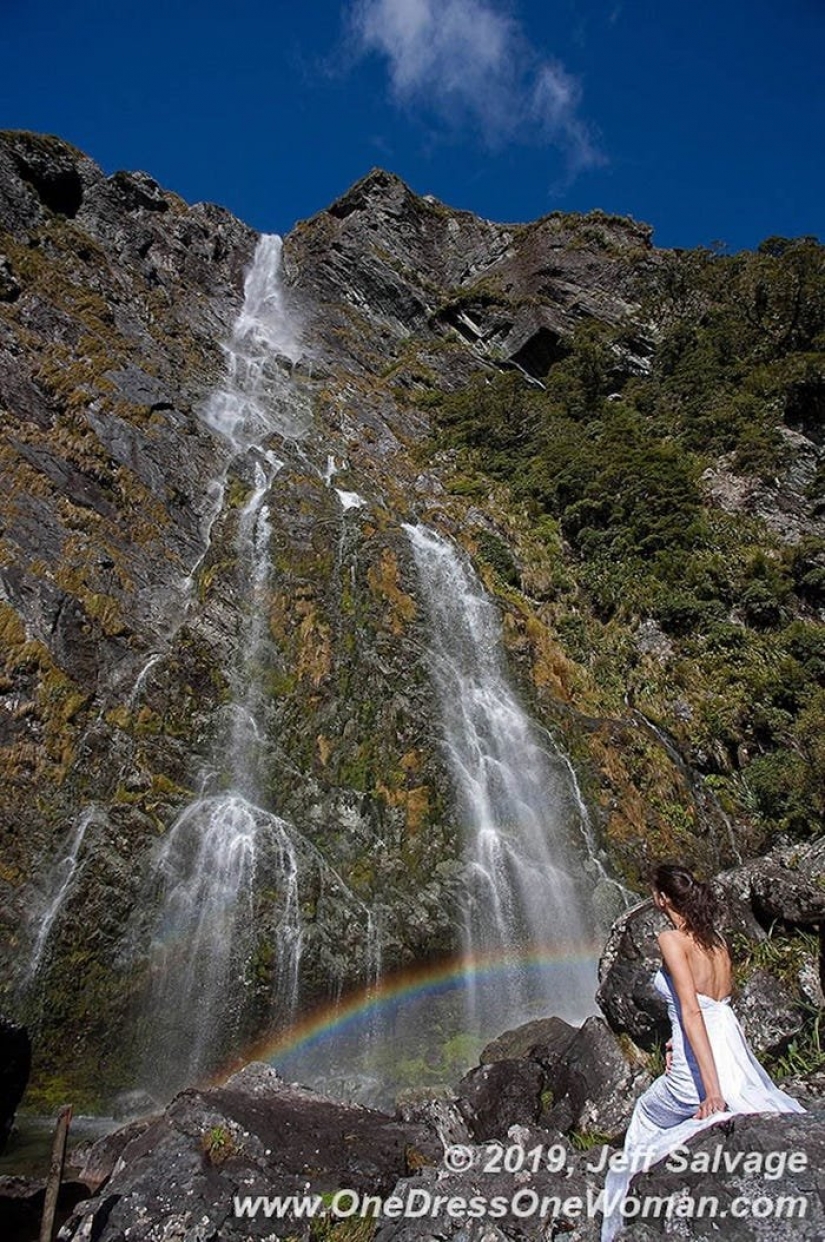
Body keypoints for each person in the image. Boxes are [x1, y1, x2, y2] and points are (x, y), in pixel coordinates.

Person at [600, 863, 805, 1242]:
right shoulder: (717, 942)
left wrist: (713, 1091)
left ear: (662, 899)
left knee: (646, 1110)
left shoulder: (671, 940)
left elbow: (694, 1011)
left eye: (652, 892)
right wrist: (676, 1039)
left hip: (699, 1069)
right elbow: (717, 1006)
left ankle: (629, 1214)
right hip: (729, 1055)